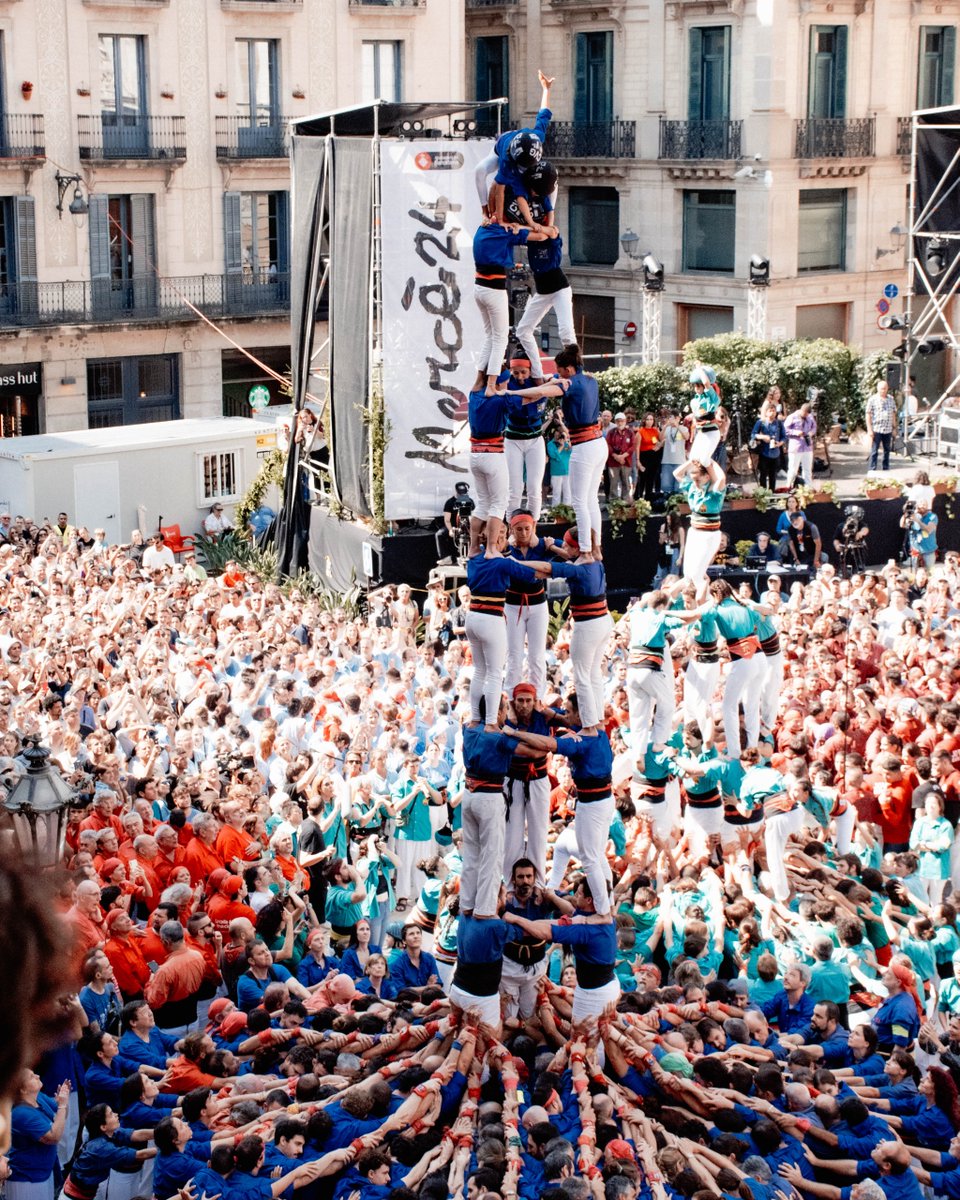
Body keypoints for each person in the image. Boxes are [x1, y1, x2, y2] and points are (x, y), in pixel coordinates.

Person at [509, 344, 605, 558]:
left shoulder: (568, 383)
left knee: (579, 502)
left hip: (584, 445)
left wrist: (510, 392)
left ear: (568, 369)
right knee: (592, 500)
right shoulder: (590, 380)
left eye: (560, 371)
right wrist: (551, 377)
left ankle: (586, 552)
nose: (558, 375)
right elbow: (549, 379)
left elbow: (542, 391)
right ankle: (596, 547)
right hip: (599, 443)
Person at [472, 220, 557, 399]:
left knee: (490, 335)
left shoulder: (482, 228)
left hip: (478, 288)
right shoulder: (505, 231)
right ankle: (489, 385)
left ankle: (479, 378)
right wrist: (548, 229)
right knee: (500, 338)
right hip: (494, 290)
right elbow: (541, 236)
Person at [673, 456, 726, 596]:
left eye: (698, 479)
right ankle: (678, 596)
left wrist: (710, 462)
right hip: (694, 532)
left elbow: (721, 479)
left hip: (709, 535)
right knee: (688, 573)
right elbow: (676, 473)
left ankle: (703, 600)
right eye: (693, 479)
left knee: (697, 574)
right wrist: (692, 461)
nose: (695, 483)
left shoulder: (714, 492)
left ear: (707, 477)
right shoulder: (692, 488)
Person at [503, 358, 548, 520]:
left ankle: (533, 528)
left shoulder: (539, 381)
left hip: (535, 440)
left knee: (534, 489)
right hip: (513, 440)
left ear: (530, 371)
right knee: (514, 489)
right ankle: (511, 528)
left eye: (524, 372)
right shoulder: (508, 385)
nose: (520, 376)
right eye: (516, 373)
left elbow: (555, 379)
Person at [751, 395, 786, 491]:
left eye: (774, 411)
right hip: (764, 452)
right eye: (770, 411)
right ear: (766, 412)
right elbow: (753, 435)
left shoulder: (779, 423)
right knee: (763, 475)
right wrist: (763, 437)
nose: (772, 413)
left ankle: (772, 492)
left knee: (773, 475)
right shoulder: (761, 422)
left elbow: (784, 436)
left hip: (775, 453)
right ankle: (763, 494)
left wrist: (780, 443)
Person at [437, 481, 474, 566]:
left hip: (467, 526)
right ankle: (446, 558)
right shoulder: (450, 502)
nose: (461, 495)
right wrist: (450, 530)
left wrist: (473, 528)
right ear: (456, 491)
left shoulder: (470, 501)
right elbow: (447, 520)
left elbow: (473, 516)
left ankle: (474, 557)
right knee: (439, 534)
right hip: (453, 526)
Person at [784, 401, 817, 489]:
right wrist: (796, 432)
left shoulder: (810, 417)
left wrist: (810, 433)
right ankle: (789, 487)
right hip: (796, 447)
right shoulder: (792, 417)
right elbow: (785, 430)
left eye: (807, 414)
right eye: (804, 413)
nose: (806, 415)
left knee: (807, 469)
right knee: (793, 469)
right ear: (801, 410)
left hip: (807, 447)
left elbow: (814, 427)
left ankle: (808, 489)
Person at [867, 380, 897, 472]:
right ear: (878, 389)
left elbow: (893, 413)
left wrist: (894, 428)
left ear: (887, 388)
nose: (883, 390)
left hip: (887, 429)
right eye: (881, 389)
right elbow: (868, 414)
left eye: (885, 388)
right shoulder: (872, 399)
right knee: (874, 451)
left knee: (887, 450)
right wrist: (869, 429)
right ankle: (872, 469)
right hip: (877, 429)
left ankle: (886, 469)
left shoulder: (891, 399)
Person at [606, 413, 635, 502]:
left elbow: (633, 446)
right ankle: (614, 502)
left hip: (626, 461)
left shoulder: (630, 432)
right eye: (618, 421)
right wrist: (616, 456)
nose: (620, 423)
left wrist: (623, 456)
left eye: (622, 421)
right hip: (613, 461)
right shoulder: (611, 432)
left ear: (625, 421)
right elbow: (608, 445)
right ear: (615, 422)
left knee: (626, 482)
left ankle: (625, 500)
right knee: (613, 483)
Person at [634, 412, 662, 503]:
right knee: (642, 478)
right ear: (644, 420)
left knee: (651, 478)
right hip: (644, 457)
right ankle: (638, 498)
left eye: (651, 419)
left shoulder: (655, 430)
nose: (649, 421)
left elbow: (660, 442)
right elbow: (637, 447)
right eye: (648, 419)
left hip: (654, 457)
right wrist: (638, 461)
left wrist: (658, 446)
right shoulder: (640, 431)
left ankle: (648, 498)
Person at [905, 498, 938, 570]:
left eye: (924, 504)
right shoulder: (913, 516)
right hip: (915, 550)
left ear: (927, 506)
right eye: (920, 504)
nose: (922, 506)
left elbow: (928, 529)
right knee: (914, 572)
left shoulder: (932, 516)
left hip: (928, 550)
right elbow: (902, 525)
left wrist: (917, 520)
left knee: (929, 572)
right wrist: (906, 513)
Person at [547, 421, 572, 507]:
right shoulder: (550, 444)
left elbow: (572, 453)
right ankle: (555, 510)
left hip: (567, 471)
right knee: (556, 493)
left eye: (560, 434)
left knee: (568, 492)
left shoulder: (566, 442)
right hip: (556, 472)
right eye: (556, 434)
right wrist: (561, 446)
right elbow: (554, 455)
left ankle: (568, 510)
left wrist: (568, 445)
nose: (558, 436)